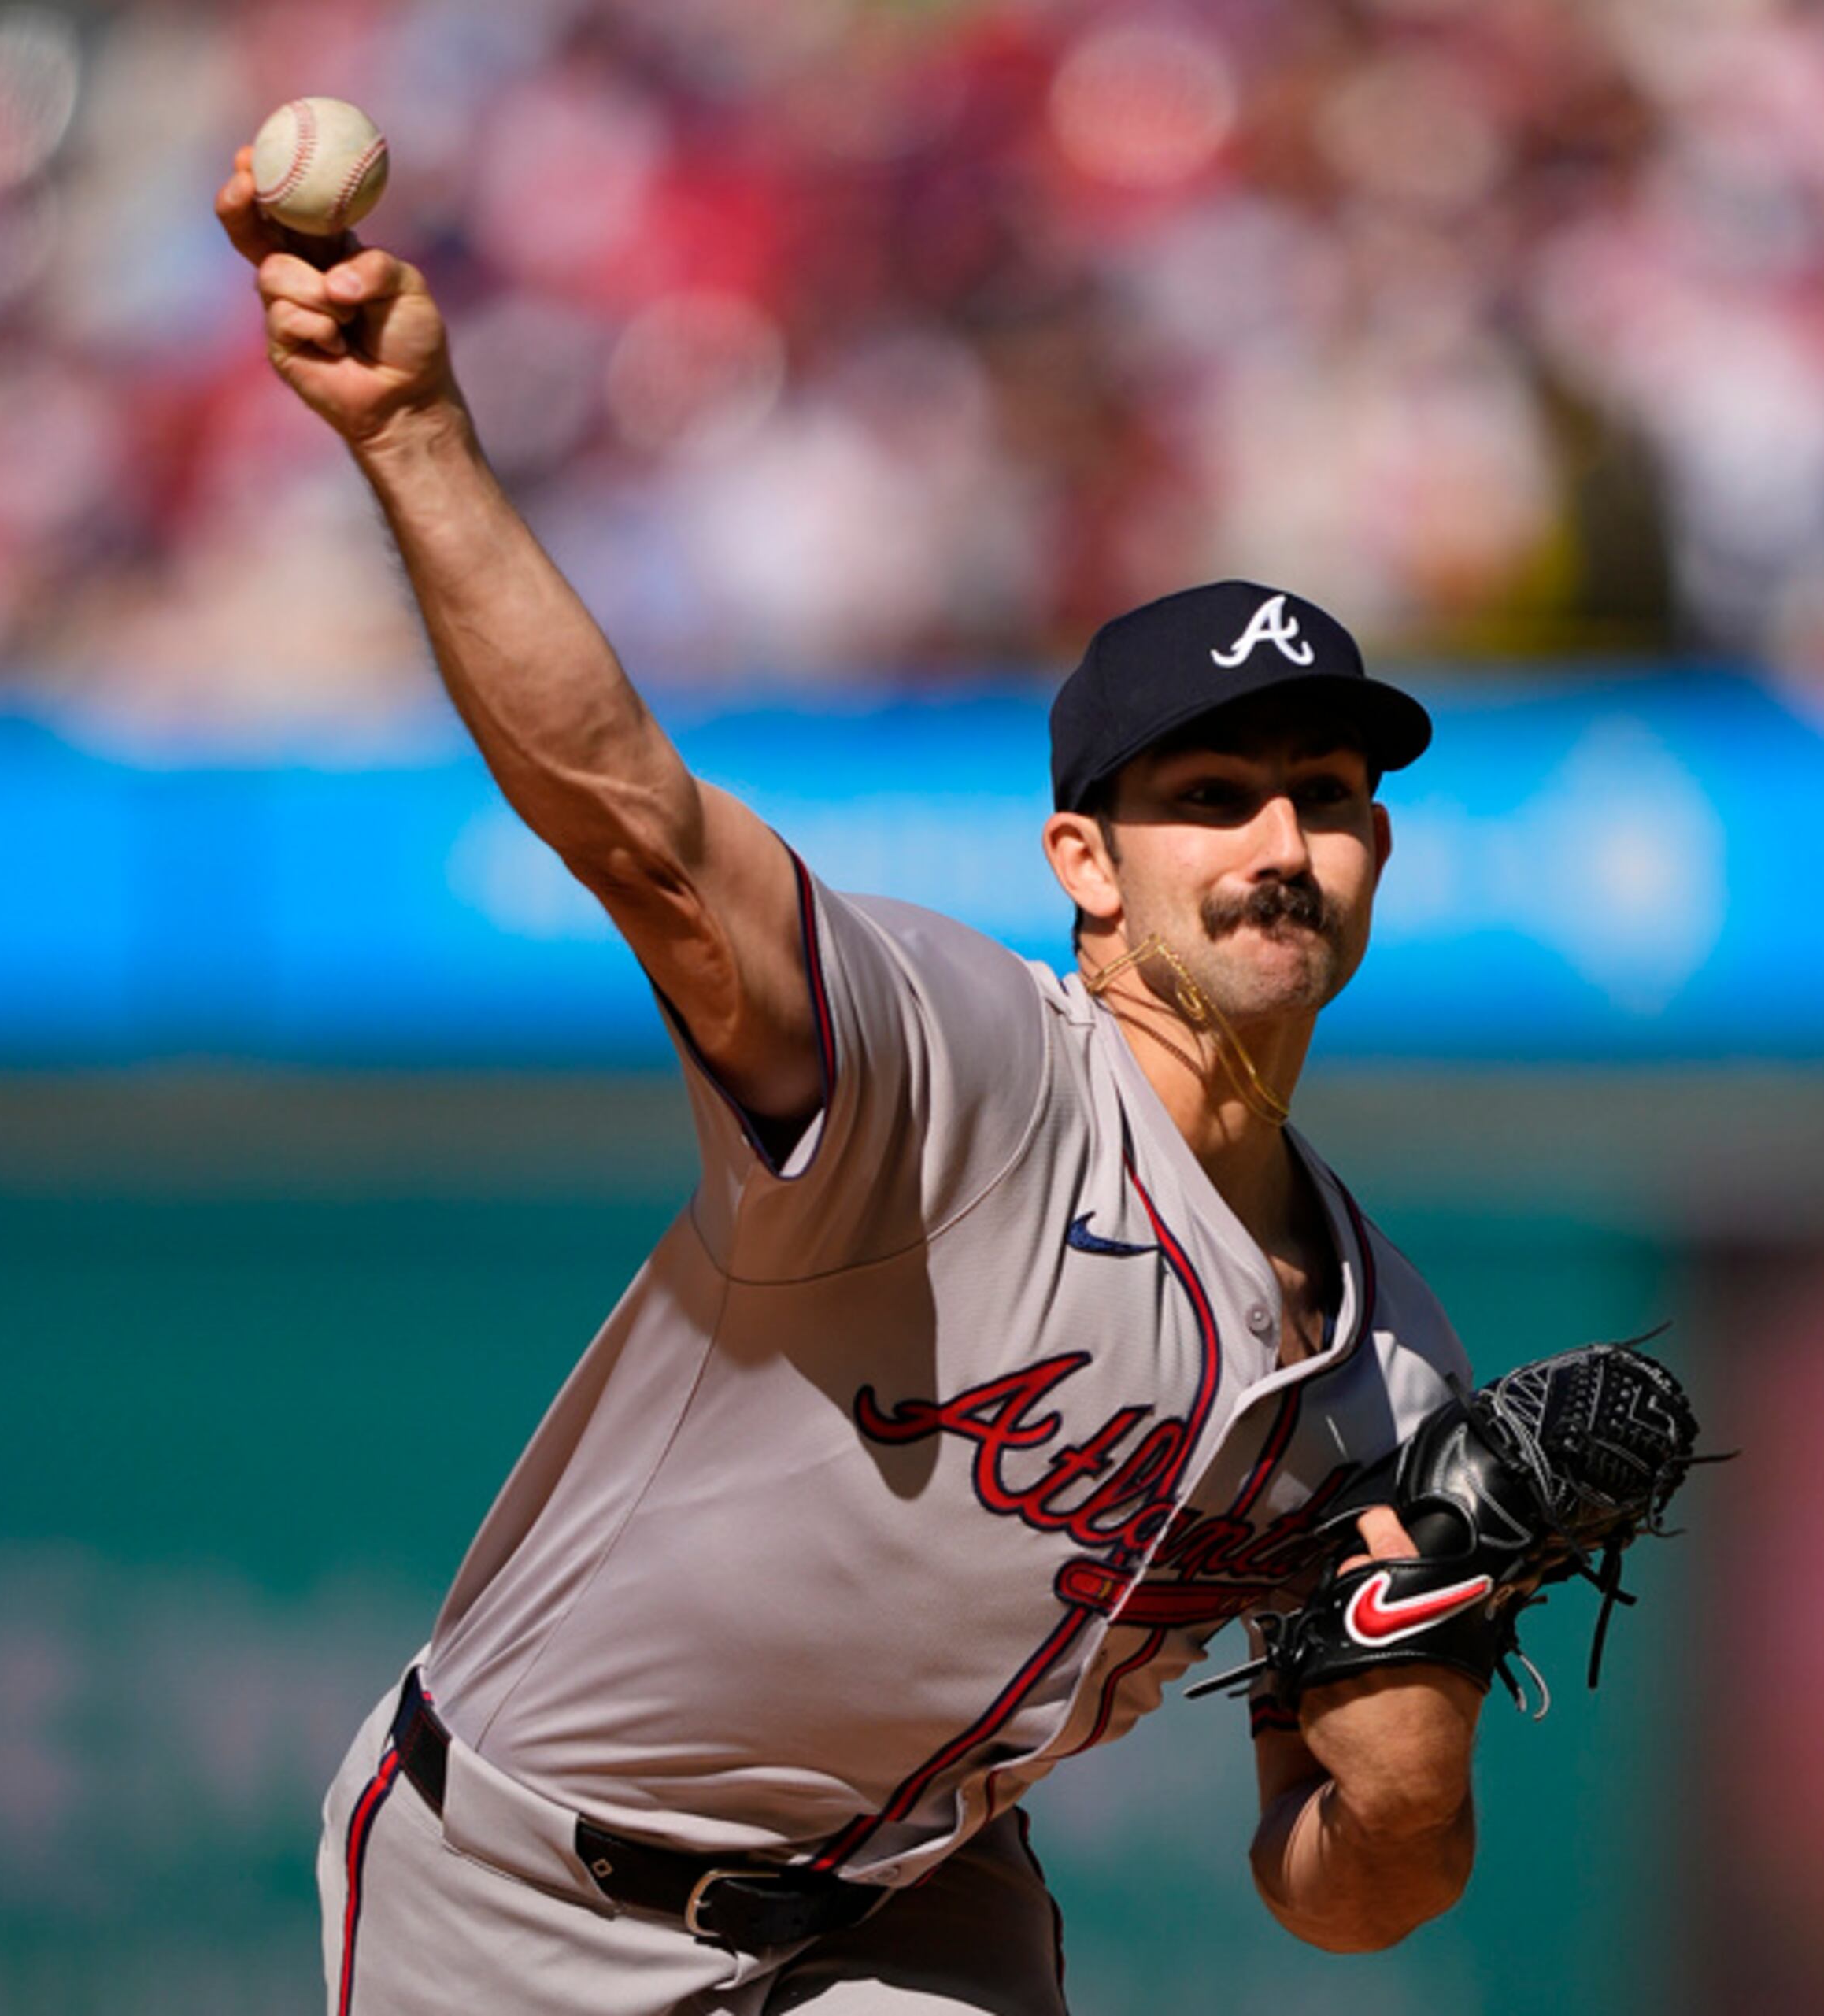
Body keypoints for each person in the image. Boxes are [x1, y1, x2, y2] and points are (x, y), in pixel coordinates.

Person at [216, 146, 1488, 2016]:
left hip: (904, 1916)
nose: (1282, 842)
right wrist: (413, 433)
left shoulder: (1394, 1377)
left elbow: (1344, 1896)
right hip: (518, 1890)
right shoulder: (961, 1068)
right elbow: (642, 829)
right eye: (1213, 801)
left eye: (1330, 800)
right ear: (1084, 864)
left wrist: (1415, 1763)